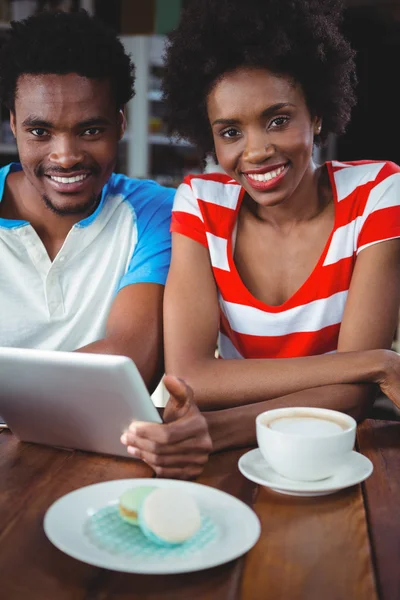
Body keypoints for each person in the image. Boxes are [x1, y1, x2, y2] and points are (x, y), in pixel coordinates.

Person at [129, 0, 400, 454]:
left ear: (315, 114)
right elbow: (191, 375)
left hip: (331, 454)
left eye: (278, 120)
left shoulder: (377, 193)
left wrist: (215, 428)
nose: (255, 151)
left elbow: (351, 400)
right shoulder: (201, 202)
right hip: (233, 457)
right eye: (231, 132)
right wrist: (374, 363)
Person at [0, 9, 212, 478]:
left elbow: (129, 363)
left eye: (90, 130)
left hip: (111, 460)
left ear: (119, 124)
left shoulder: (157, 211)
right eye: (40, 131)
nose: (66, 155)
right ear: (13, 125)